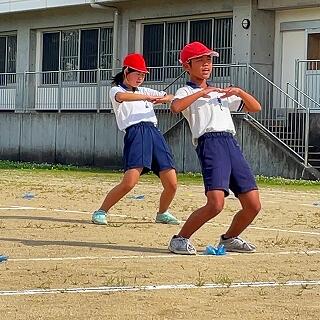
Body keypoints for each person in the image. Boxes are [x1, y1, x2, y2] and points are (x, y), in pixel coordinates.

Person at [168, 41, 262, 254]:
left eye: (209, 60)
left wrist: (238, 91)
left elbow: (255, 107)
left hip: (230, 142)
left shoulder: (220, 93)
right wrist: (202, 92)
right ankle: (180, 239)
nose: (206, 64)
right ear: (187, 66)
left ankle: (229, 238)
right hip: (210, 143)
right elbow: (175, 107)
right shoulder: (185, 91)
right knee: (216, 203)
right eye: (199, 60)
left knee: (253, 204)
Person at [92, 53, 180, 225]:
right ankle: (101, 211)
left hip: (154, 133)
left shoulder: (145, 90)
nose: (141, 77)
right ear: (126, 71)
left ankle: (162, 213)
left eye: (143, 74)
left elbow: (172, 97)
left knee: (172, 182)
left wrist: (162, 99)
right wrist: (147, 97)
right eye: (137, 73)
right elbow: (123, 97)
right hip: (136, 133)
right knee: (129, 182)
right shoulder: (116, 90)